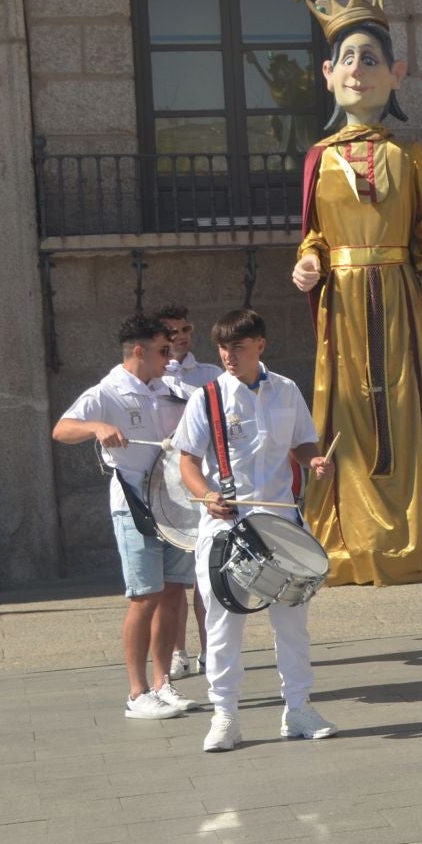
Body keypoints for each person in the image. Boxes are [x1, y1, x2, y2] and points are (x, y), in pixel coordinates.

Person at [284, 0, 422, 587]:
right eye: (347, 59)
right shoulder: (319, 157)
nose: (359, 69)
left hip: (399, 300)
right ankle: (348, 541)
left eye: (372, 58)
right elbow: (314, 230)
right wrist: (310, 260)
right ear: (326, 73)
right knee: (348, 414)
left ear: (398, 73)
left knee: (410, 411)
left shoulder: (407, 156)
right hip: (342, 304)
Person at [173, 309, 336, 753]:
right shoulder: (206, 398)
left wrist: (314, 461)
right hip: (227, 526)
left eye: (238, 348)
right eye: (223, 348)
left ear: (260, 345)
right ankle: (225, 715)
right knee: (223, 624)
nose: (228, 356)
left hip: (280, 524)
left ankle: (298, 708)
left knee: (292, 624)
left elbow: (303, 442)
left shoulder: (286, 389)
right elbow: (187, 460)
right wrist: (207, 494)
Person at [52, 315, 201, 721]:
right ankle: (136, 694)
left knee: (173, 592)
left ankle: (162, 682)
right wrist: (97, 426)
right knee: (144, 596)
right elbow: (61, 429)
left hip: (173, 506)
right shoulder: (108, 390)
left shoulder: (169, 389)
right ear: (140, 351)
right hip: (133, 504)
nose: (170, 359)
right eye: (163, 351)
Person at [153, 302, 215, 680]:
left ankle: (211, 650)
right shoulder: (151, 378)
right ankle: (178, 651)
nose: (180, 337)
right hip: (166, 488)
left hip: (202, 481)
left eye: (185, 329)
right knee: (174, 581)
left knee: (205, 575)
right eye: (171, 331)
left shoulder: (210, 374)